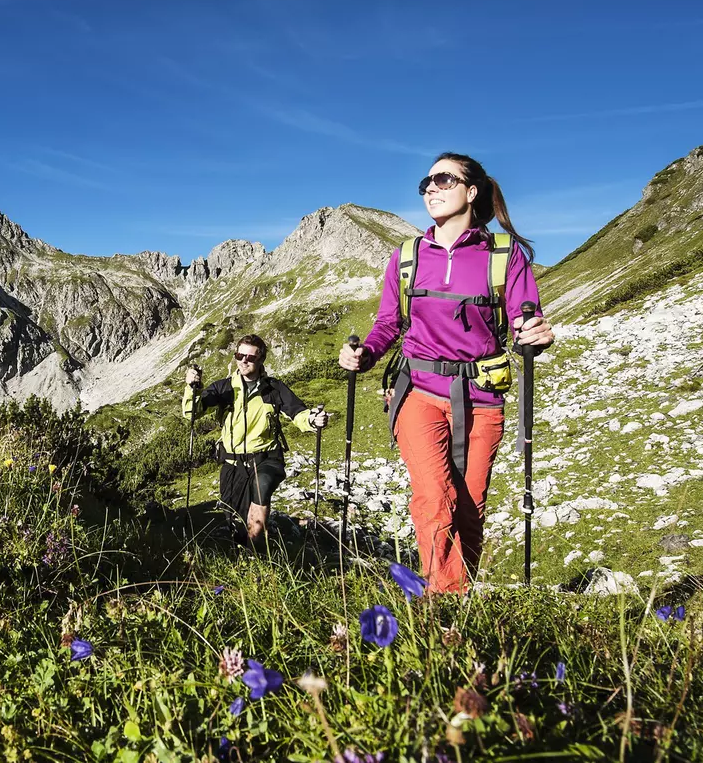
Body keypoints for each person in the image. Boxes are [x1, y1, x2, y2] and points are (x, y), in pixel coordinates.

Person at [338, 153, 554, 593]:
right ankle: (444, 604)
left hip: (482, 396)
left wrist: (534, 334)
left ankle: (459, 597)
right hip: (417, 389)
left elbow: (522, 319)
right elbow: (388, 323)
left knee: (471, 506)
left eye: (442, 179)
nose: (430, 189)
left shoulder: (504, 255)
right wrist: (367, 355)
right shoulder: (406, 255)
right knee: (435, 498)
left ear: (472, 192)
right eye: (426, 182)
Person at [184, 335, 331, 543]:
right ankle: (245, 546)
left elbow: (297, 412)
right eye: (239, 355)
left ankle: (255, 553)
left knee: (261, 486)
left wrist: (313, 419)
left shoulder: (273, 388)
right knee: (234, 522)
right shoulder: (224, 388)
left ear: (261, 360)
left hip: (266, 458)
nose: (244, 360)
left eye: (250, 357)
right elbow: (193, 412)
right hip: (232, 462)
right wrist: (192, 389)